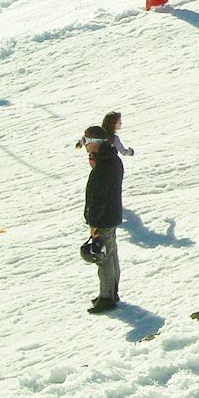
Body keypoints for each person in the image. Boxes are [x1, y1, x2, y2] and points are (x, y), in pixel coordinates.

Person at [79, 123, 124, 313]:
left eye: (86, 142)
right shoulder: (111, 159)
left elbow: (99, 198)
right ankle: (111, 292)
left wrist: (94, 223)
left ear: (95, 143)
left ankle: (106, 298)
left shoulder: (103, 166)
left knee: (103, 258)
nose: (85, 146)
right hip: (112, 215)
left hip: (104, 218)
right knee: (111, 254)